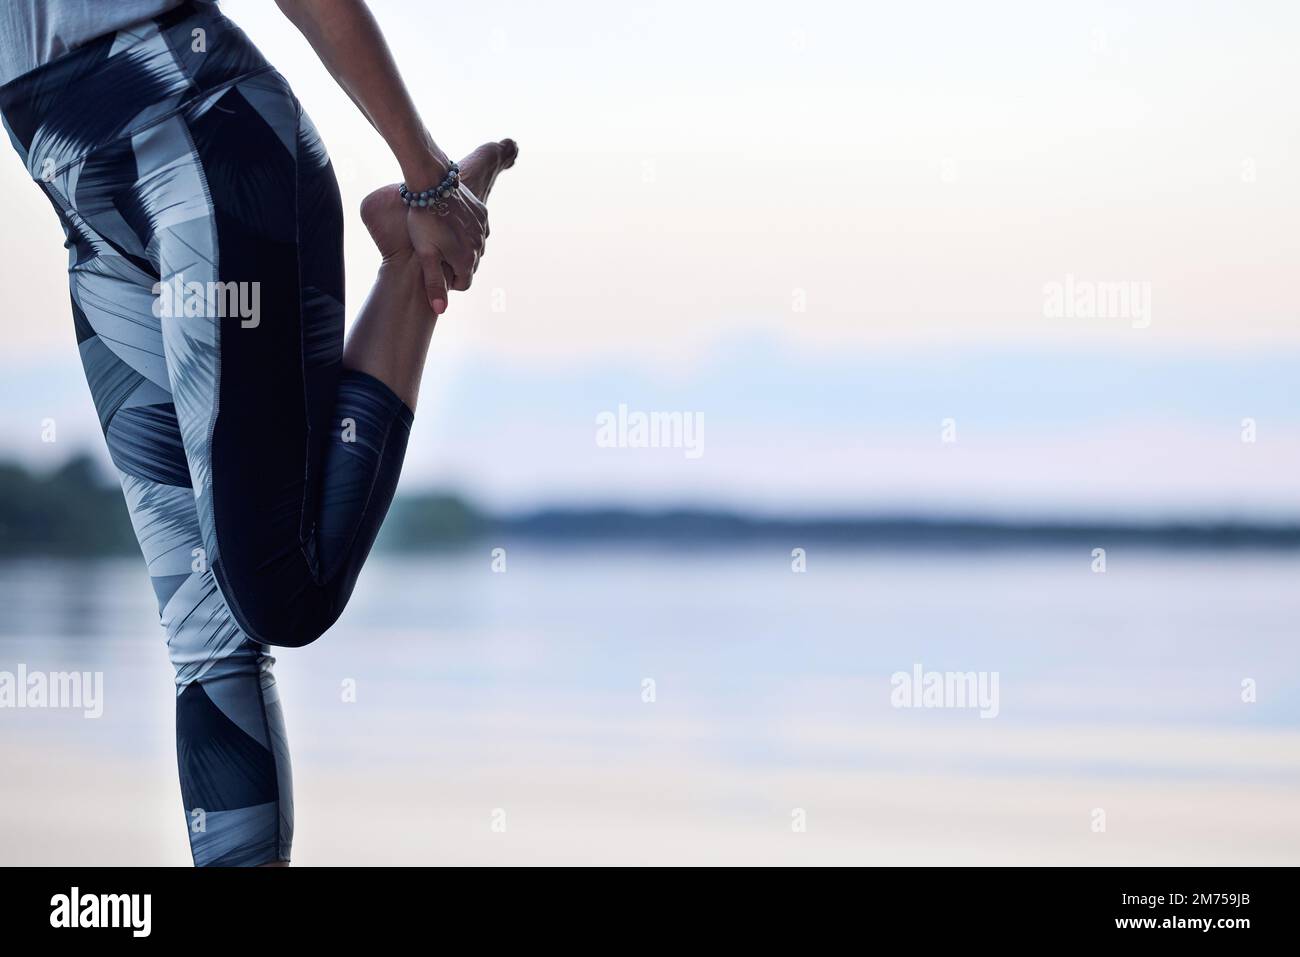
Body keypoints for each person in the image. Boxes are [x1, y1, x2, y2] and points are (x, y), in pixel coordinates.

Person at [0, 0, 516, 866]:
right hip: (82, 197)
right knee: (205, 638)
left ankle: (408, 257)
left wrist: (422, 170)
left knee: (282, 594)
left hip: (204, 141)